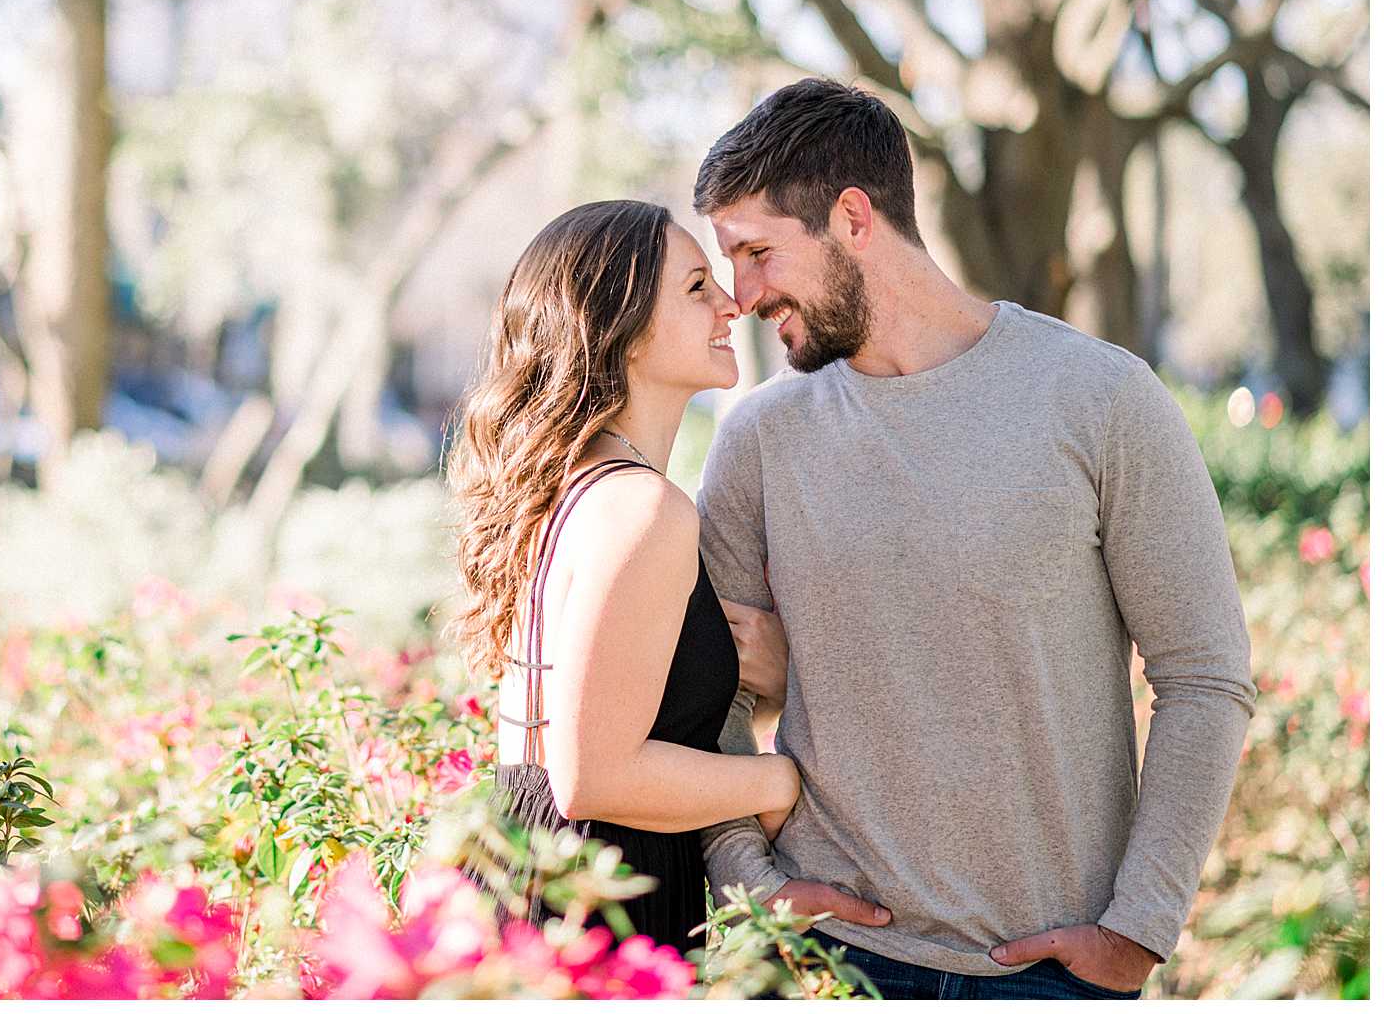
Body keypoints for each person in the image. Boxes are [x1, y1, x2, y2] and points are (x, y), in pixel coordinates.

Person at [691, 77, 1255, 999]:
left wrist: (1139, 928)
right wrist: (749, 884)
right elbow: (706, 694)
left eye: (758, 252)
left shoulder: (1101, 399)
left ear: (853, 216)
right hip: (819, 962)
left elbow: (1205, 675)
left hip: (1044, 971)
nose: (742, 293)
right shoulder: (758, 439)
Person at [444, 198, 805, 952]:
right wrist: (782, 780)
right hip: (592, 892)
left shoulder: (584, 485)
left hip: (543, 869)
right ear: (625, 330)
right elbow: (594, 774)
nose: (732, 304)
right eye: (697, 287)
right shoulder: (643, 507)